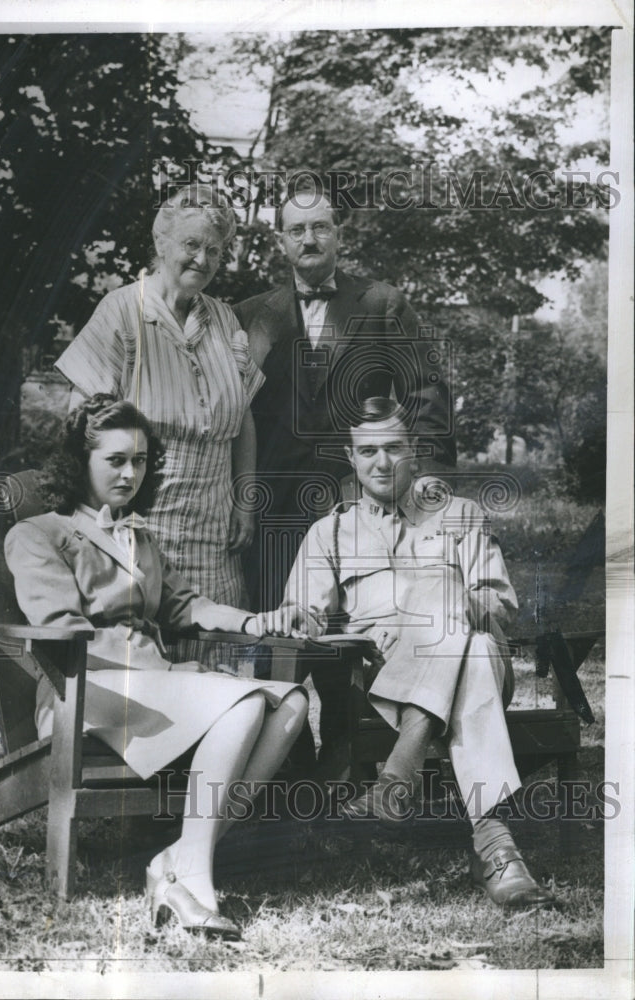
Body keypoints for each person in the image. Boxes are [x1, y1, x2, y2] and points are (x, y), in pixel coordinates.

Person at [4, 396, 308, 938]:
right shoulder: (38, 533)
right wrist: (169, 674)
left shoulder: (138, 535)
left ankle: (180, 858)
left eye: (140, 461)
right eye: (115, 460)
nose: (130, 473)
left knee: (292, 702)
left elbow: (185, 606)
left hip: (151, 690)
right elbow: (60, 630)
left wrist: (254, 622)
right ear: (80, 461)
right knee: (241, 703)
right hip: (83, 692)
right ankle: (194, 878)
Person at [255, 397, 554, 908]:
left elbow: (497, 603)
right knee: (472, 648)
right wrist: (305, 620)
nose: (381, 462)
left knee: (458, 616)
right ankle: (495, 846)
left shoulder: (460, 515)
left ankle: (398, 776)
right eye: (368, 450)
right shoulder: (329, 532)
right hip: (384, 684)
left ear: (414, 449)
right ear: (351, 457)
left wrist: (443, 609)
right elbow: (304, 614)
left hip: (475, 663)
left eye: (394, 447)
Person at [234, 185, 456, 766]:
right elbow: (228, 413)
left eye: (320, 227)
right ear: (280, 240)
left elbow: (427, 390)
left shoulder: (381, 304)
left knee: (350, 633)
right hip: (271, 506)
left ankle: (348, 759)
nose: (309, 239)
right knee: (278, 634)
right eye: (296, 229)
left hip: (356, 502)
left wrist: (427, 481)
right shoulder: (248, 315)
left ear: (339, 234)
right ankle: (284, 771)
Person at [54, 185, 262, 662]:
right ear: (161, 242)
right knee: (147, 666)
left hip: (214, 533)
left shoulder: (225, 320)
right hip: (141, 526)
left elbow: (244, 417)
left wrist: (245, 502)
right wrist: (99, 517)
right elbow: (82, 426)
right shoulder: (121, 311)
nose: (203, 259)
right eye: (192, 244)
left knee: (222, 662)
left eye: (215, 250)